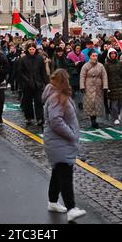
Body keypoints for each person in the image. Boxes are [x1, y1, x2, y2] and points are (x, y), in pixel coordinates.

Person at [42, 69, 86, 222]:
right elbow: (56, 120)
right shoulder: (56, 97)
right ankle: (71, 208)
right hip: (59, 143)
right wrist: (71, 134)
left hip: (58, 142)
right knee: (65, 174)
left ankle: (52, 202)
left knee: (58, 172)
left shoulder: (57, 96)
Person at [18, 43, 49, 126]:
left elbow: (43, 72)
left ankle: (40, 118)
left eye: (33, 49)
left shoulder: (39, 58)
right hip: (27, 84)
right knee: (27, 102)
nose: (32, 51)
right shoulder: (23, 59)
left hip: (37, 83)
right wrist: (26, 80)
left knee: (38, 101)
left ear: (35, 50)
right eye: (30, 49)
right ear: (28, 50)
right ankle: (28, 117)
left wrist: (46, 82)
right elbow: (20, 72)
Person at [80, 49, 108, 129]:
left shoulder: (100, 66)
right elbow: (82, 76)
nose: (95, 57)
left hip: (98, 86)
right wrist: (82, 86)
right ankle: (92, 119)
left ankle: (95, 118)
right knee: (90, 103)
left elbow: (104, 76)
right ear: (89, 56)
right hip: (88, 86)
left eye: (96, 56)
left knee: (97, 103)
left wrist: (105, 86)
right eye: (93, 56)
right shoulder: (85, 66)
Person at [104, 48, 122, 124]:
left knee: (121, 102)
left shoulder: (120, 63)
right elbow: (105, 76)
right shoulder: (106, 65)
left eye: (114, 53)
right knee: (114, 104)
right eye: (111, 53)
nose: (113, 55)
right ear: (109, 55)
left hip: (120, 85)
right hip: (112, 86)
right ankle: (115, 117)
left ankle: (119, 113)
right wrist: (106, 86)